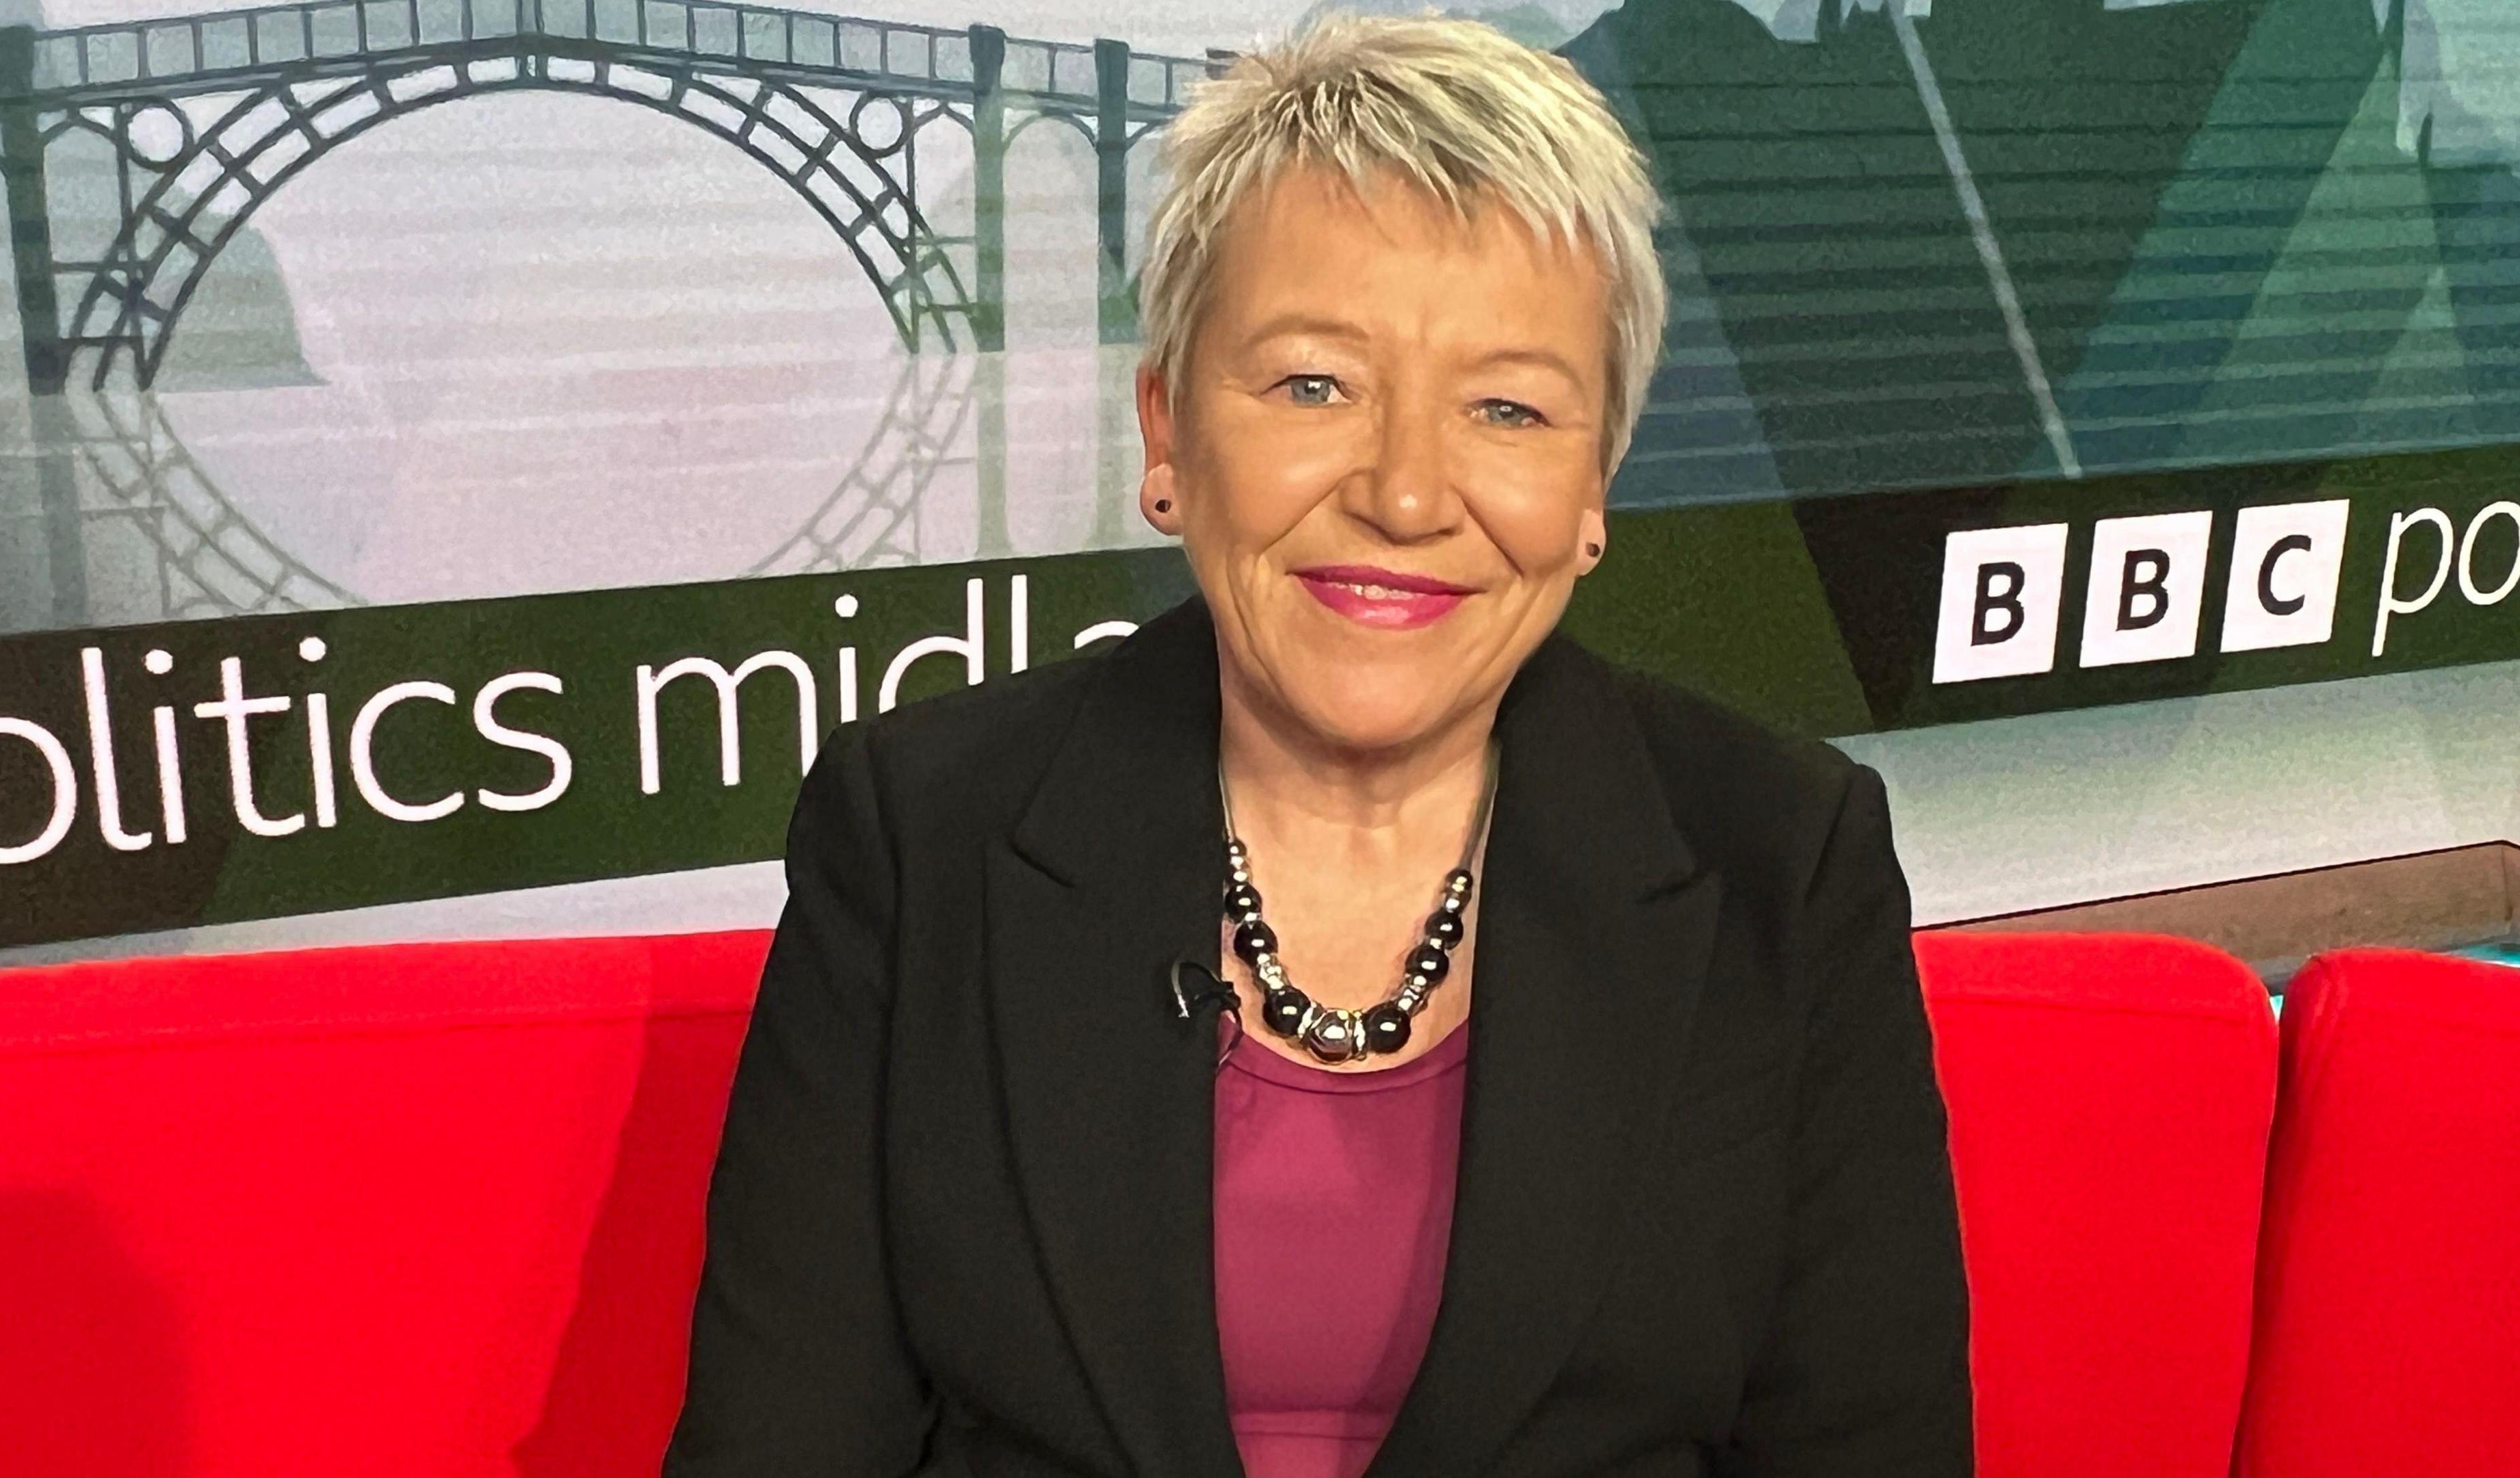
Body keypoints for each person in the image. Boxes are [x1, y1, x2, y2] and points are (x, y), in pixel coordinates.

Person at [665, 14, 1969, 1477]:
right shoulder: (923, 831)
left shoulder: (1782, 859)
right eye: (1312, 385)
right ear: (1166, 434)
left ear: (1595, 485)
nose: (1408, 495)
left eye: (1508, 408)